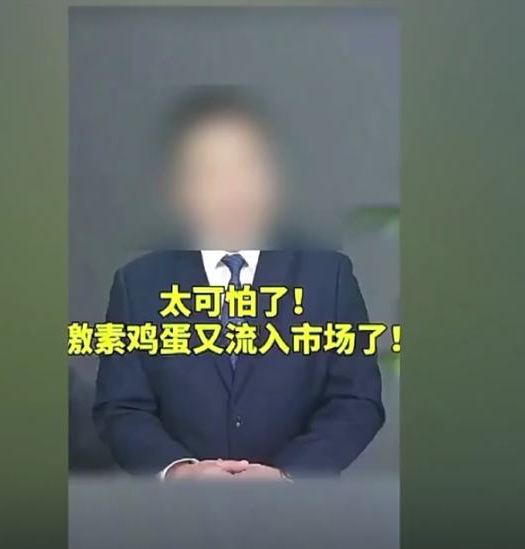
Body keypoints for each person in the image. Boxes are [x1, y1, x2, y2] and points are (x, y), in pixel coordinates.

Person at [93, 86, 384, 480]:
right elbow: (121, 408)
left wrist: (288, 476)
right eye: (210, 172)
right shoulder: (138, 286)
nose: (232, 189)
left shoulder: (328, 276)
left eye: (246, 165)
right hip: (180, 510)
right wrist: (180, 472)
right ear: (179, 190)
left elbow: (357, 400)